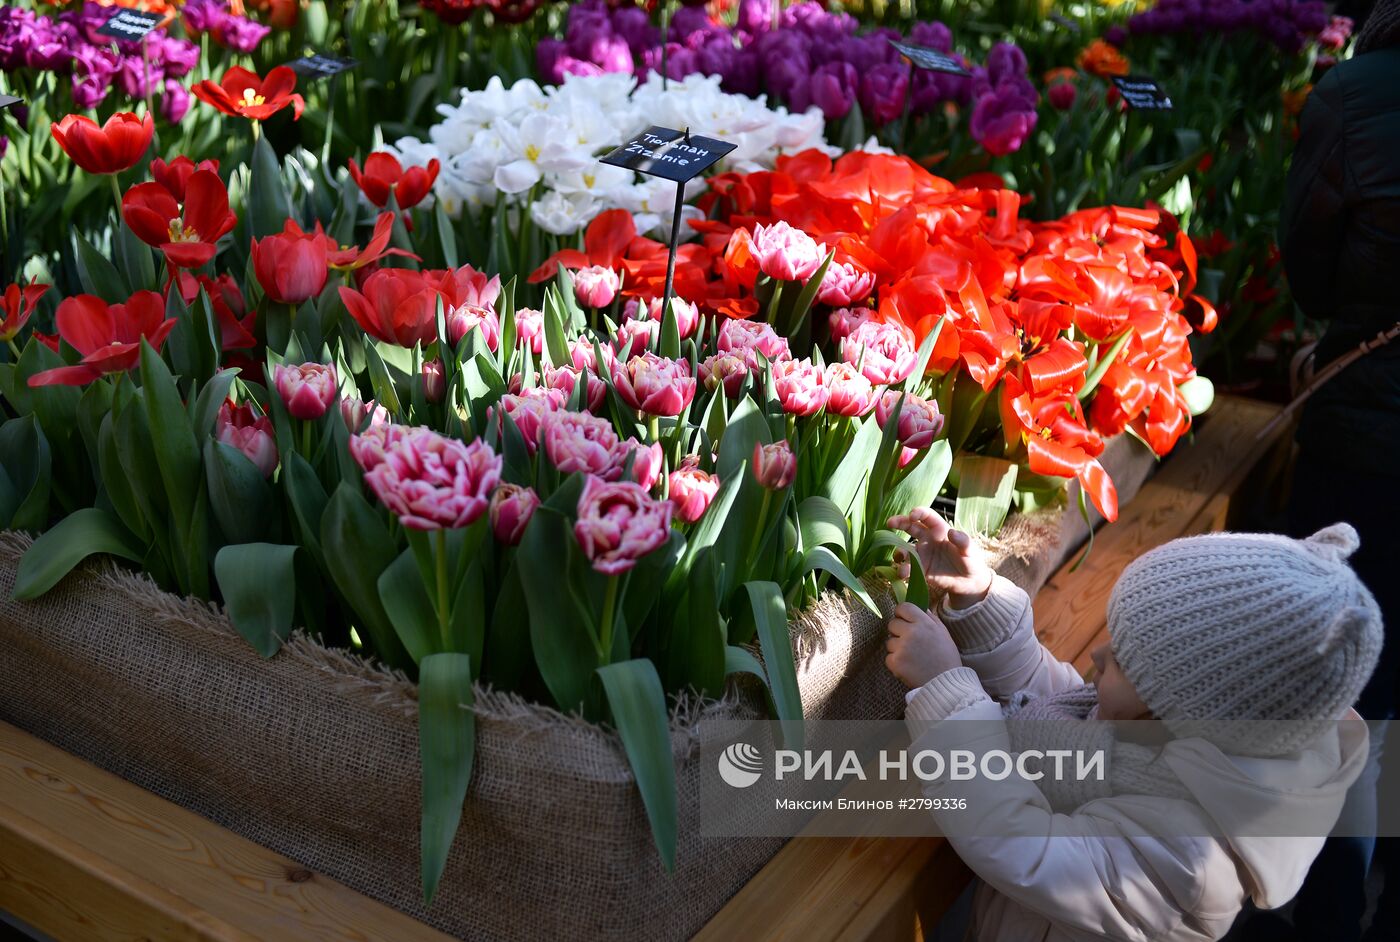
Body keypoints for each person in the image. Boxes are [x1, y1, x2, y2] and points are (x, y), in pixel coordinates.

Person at [883, 508, 1380, 942]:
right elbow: (1068, 707)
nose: (1097, 653)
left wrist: (947, 690)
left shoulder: (1190, 860)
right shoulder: (1180, 740)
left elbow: (1021, 847)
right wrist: (981, 605)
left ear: (1179, 713)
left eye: (1122, 661)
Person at [1277, 4, 1400, 938]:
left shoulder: (1357, 94)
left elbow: (1311, 274)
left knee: (1342, 691)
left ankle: (1323, 910)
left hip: (1370, 448)